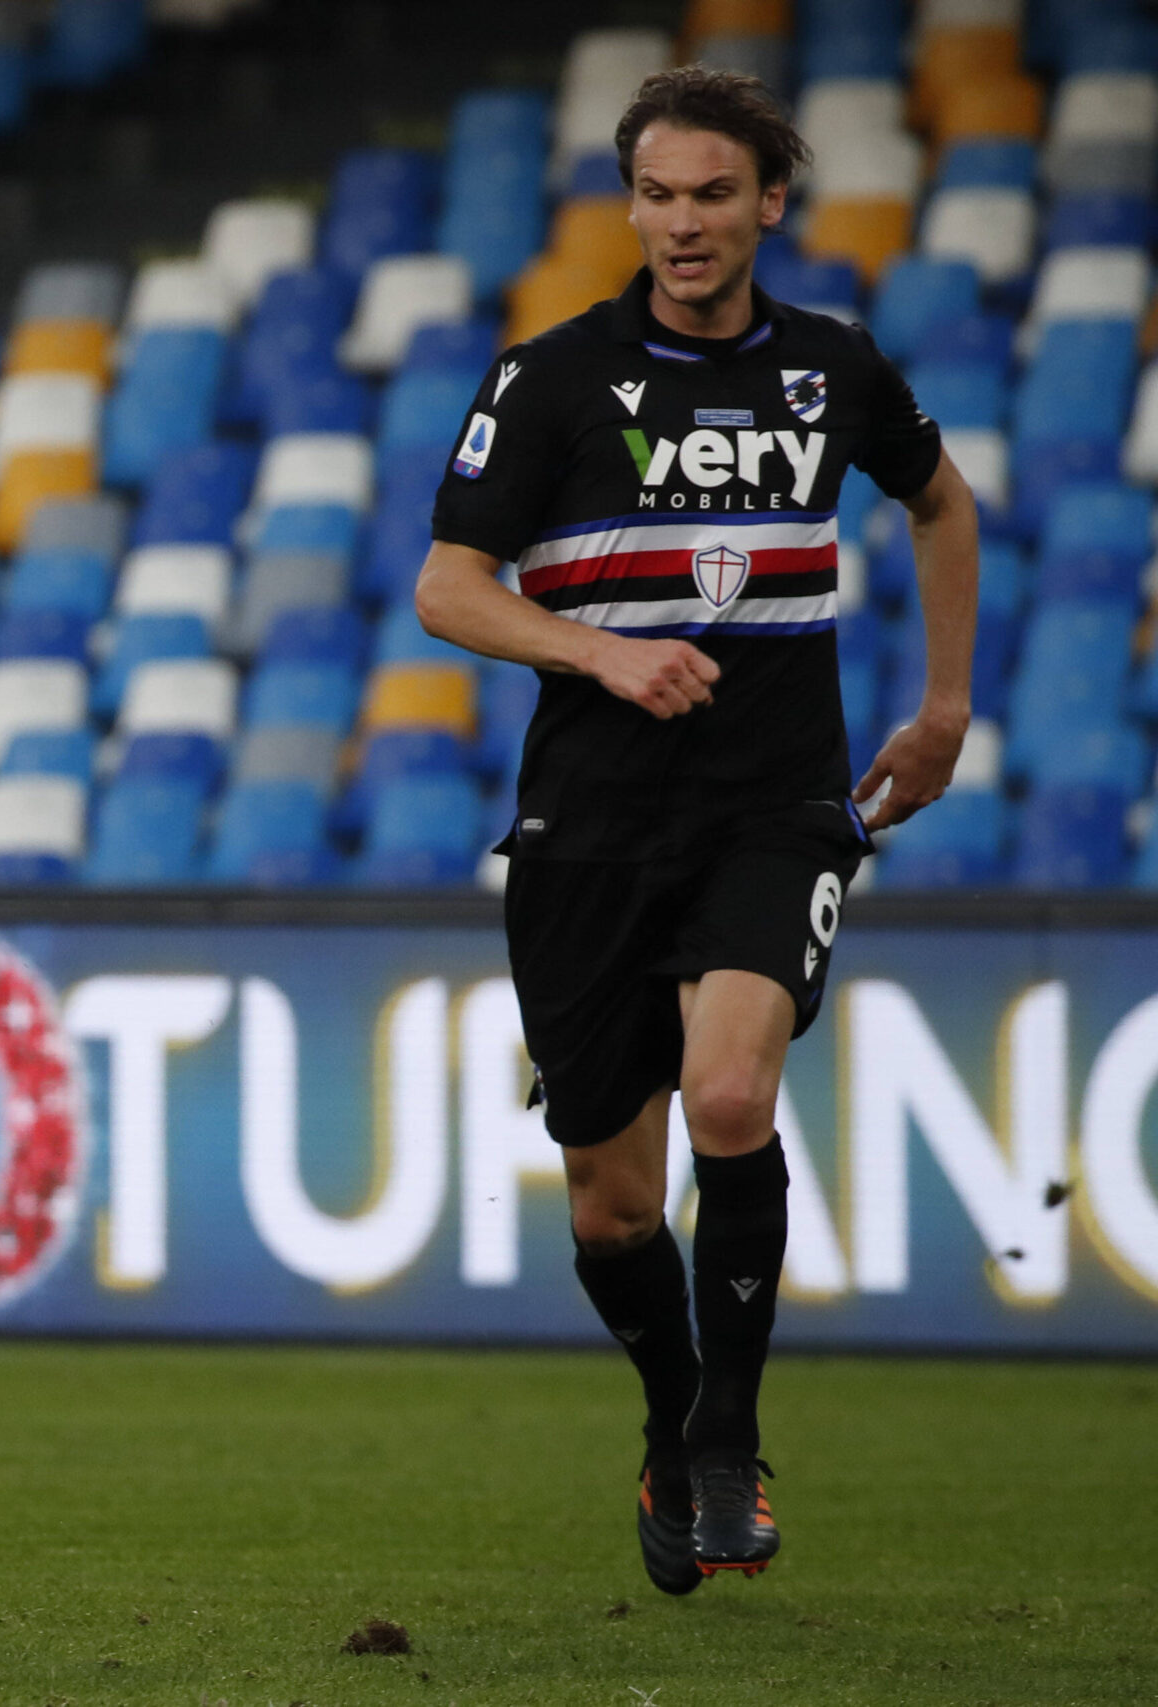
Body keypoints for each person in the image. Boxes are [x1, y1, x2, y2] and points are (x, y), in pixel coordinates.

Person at [414, 68, 976, 1591]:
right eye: (656, 195)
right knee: (611, 1204)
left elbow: (943, 505)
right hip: (589, 822)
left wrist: (941, 709)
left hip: (771, 807)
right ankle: (676, 1420)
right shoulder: (552, 379)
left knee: (731, 1097)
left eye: (712, 194)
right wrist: (598, 649)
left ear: (768, 205)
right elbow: (448, 586)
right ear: (632, 206)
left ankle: (728, 1443)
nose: (682, 223)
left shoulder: (834, 368)